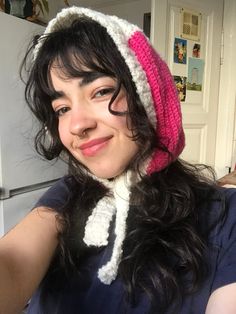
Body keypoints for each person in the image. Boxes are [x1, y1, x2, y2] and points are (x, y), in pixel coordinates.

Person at [0, 5, 236, 314]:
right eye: (62, 108)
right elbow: (13, 264)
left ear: (147, 94)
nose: (76, 125)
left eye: (100, 91)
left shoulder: (224, 216)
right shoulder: (67, 194)